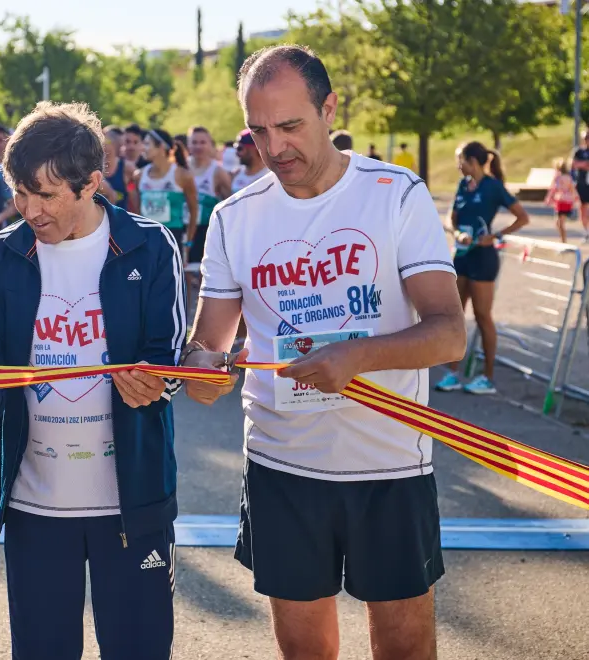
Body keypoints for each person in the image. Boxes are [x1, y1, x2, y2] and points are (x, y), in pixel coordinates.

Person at [183, 45, 467, 660]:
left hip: (389, 465)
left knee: (404, 645)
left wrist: (356, 357)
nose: (275, 147)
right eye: (259, 131)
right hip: (282, 466)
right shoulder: (235, 217)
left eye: (290, 126)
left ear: (329, 108)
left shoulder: (394, 193)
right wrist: (201, 371)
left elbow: (449, 333)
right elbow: (207, 348)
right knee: (304, 650)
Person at [0, 100, 185, 660]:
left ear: (91, 183)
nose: (29, 210)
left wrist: (158, 382)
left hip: (132, 502)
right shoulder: (1, 255)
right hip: (35, 504)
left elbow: (168, 357)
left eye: (46, 194)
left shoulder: (152, 246)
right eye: (19, 193)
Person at [435, 141, 530, 395]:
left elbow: (523, 217)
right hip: (462, 255)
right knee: (455, 314)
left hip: (484, 258)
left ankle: (487, 378)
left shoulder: (493, 186)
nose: (458, 165)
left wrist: (496, 235)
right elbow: (451, 217)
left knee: (482, 316)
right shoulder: (463, 185)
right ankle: (452, 373)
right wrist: (456, 232)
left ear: (472, 162)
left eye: (460, 160)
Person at [132, 128, 198, 262]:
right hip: (147, 239)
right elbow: (138, 211)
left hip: (173, 237)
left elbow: (194, 210)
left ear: (161, 146)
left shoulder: (182, 175)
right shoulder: (139, 175)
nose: (142, 148)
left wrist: (189, 242)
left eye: (147, 144)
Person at [186, 126, 232, 271]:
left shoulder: (218, 171)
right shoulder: (180, 168)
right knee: (183, 271)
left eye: (202, 142)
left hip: (205, 230)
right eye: (194, 142)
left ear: (210, 145)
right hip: (183, 227)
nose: (198, 146)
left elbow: (230, 205)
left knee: (203, 273)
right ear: (188, 145)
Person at [99, 125, 135, 211]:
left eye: (106, 141)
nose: (103, 143)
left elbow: (135, 202)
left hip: (120, 221)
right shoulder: (91, 168)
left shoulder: (127, 168)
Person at [545, 157, 577, 244]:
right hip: (567, 201)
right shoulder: (568, 177)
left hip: (561, 201)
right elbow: (572, 189)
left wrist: (549, 198)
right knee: (559, 223)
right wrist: (573, 200)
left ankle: (563, 241)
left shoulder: (558, 178)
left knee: (559, 223)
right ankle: (563, 240)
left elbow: (554, 189)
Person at [231, 129, 268, 193]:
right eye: (236, 148)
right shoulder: (236, 174)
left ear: (255, 148)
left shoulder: (270, 176)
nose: (236, 153)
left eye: (240, 149)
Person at [570, 129, 589, 238]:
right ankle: (585, 230)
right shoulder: (579, 152)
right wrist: (584, 164)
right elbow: (574, 164)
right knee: (583, 207)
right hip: (582, 183)